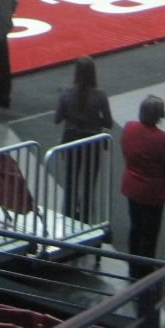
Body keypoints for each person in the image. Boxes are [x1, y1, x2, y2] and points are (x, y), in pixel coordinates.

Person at [121, 95, 165, 281]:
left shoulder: (129, 128)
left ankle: (132, 268)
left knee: (135, 228)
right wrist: (163, 184)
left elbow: (126, 151)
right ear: (159, 115)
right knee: (150, 234)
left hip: (132, 187)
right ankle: (144, 274)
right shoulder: (163, 139)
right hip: (153, 193)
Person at [55, 57, 115, 221]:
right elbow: (109, 123)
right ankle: (86, 218)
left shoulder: (66, 94)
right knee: (89, 184)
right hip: (92, 145)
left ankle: (68, 216)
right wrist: (94, 121)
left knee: (70, 181)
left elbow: (57, 119)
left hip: (71, 142)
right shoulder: (100, 96)